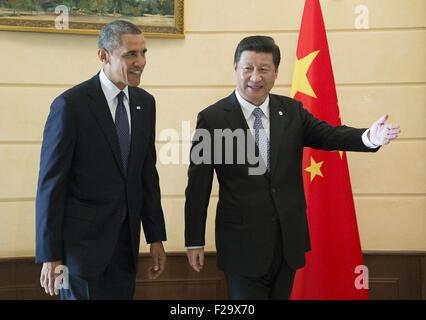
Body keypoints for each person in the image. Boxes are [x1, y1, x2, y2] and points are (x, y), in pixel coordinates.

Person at [184, 35, 400, 299]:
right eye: (248, 68)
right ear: (235, 69)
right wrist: (194, 239)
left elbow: (330, 135)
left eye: (264, 69)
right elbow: (198, 186)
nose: (255, 77)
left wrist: (368, 137)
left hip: (288, 242)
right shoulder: (212, 118)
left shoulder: (292, 112)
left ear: (275, 73)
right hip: (241, 246)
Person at [35, 20, 167, 300]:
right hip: (80, 251)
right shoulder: (71, 105)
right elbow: (51, 185)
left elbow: (146, 175)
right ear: (104, 56)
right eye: (131, 54)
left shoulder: (146, 104)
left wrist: (155, 237)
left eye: (144, 53)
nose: (140, 62)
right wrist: (50, 255)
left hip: (125, 247)